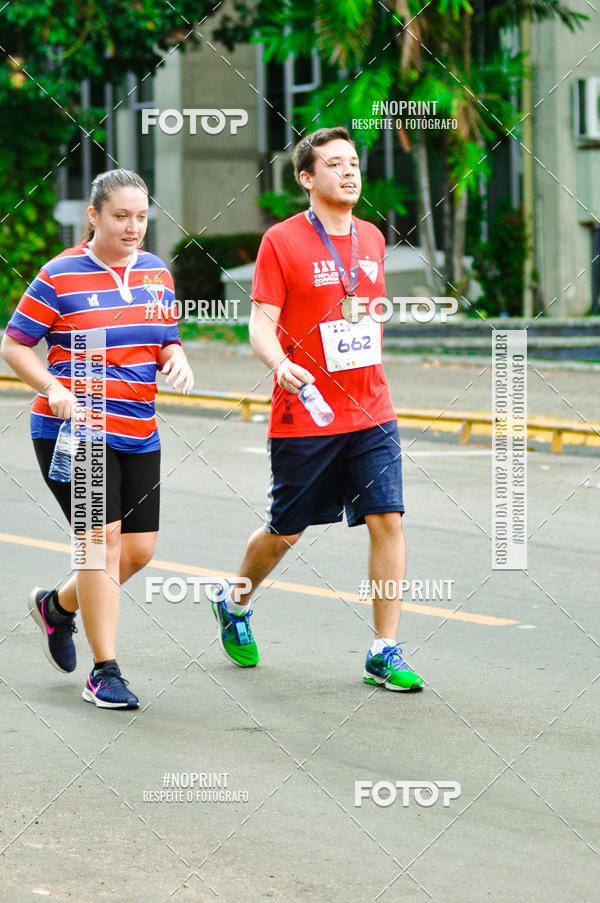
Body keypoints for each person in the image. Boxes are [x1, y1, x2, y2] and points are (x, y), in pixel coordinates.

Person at [211, 127, 423, 692]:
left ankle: (383, 649)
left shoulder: (372, 237)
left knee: (387, 518)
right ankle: (234, 602)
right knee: (286, 530)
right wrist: (280, 362)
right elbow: (260, 322)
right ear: (307, 178)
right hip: (307, 411)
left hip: (371, 408)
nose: (349, 172)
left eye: (353, 163)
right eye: (334, 164)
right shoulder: (281, 241)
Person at [1, 168, 194, 709]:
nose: (133, 227)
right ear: (94, 215)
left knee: (137, 551)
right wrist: (52, 385)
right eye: (121, 216)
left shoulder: (157, 273)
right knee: (100, 544)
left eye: (142, 217)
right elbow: (14, 345)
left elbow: (165, 337)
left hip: (139, 429)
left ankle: (57, 607)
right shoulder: (60, 274)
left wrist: (176, 357)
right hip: (75, 430)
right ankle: (104, 672)